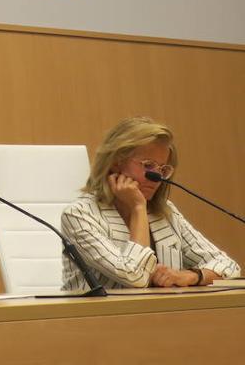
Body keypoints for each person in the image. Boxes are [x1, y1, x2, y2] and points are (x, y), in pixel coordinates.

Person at [59, 116, 239, 291]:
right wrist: (138, 208)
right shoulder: (79, 214)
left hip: (161, 316)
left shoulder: (165, 213)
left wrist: (189, 276)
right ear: (115, 163)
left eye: (163, 169)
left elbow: (229, 266)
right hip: (94, 319)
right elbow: (134, 276)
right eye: (148, 165)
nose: (157, 177)